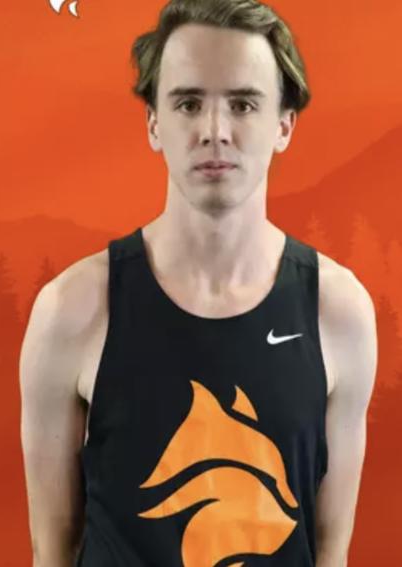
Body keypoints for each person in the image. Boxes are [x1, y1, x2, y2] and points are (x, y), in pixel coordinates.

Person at [19, 1, 378, 566]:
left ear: (283, 125)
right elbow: (51, 550)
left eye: (243, 104)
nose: (215, 131)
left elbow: (330, 549)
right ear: (154, 124)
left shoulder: (338, 311)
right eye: (189, 103)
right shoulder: (72, 309)